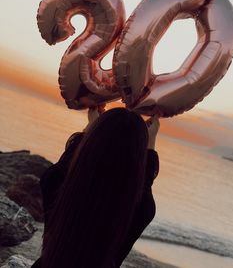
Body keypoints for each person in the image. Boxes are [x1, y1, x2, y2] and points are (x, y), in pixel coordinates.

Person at [31, 107, 160, 268]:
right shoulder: (142, 208)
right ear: (138, 158)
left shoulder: (55, 183)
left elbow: (68, 163)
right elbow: (145, 181)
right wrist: (150, 140)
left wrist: (93, 126)